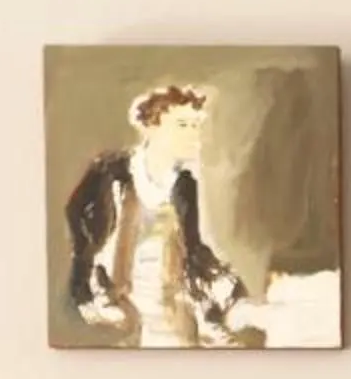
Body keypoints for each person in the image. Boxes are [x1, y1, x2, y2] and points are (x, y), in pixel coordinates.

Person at [65, 83, 253, 347]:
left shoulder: (185, 184)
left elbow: (193, 247)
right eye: (183, 125)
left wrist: (224, 293)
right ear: (152, 126)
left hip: (169, 297)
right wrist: (88, 291)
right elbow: (78, 219)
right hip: (117, 302)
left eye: (196, 126)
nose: (194, 135)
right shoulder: (111, 173)